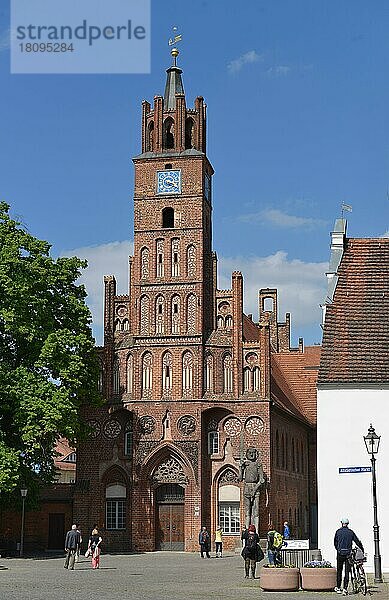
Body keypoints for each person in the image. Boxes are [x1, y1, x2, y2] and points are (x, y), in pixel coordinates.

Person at [334, 518, 364, 596]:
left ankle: (338, 587)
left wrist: (338, 549)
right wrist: (362, 549)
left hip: (340, 554)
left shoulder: (338, 532)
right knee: (347, 571)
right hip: (348, 554)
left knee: (339, 570)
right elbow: (357, 542)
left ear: (341, 523)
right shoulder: (351, 532)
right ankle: (345, 589)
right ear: (348, 524)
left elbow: (335, 543)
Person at [239, 447, 265, 532]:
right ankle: (247, 530)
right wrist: (241, 468)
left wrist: (255, 489)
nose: (251, 454)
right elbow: (240, 478)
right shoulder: (245, 464)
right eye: (249, 453)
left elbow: (261, 480)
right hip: (247, 487)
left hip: (255, 486)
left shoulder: (258, 464)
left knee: (256, 510)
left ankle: (256, 531)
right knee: (247, 510)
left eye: (253, 453)